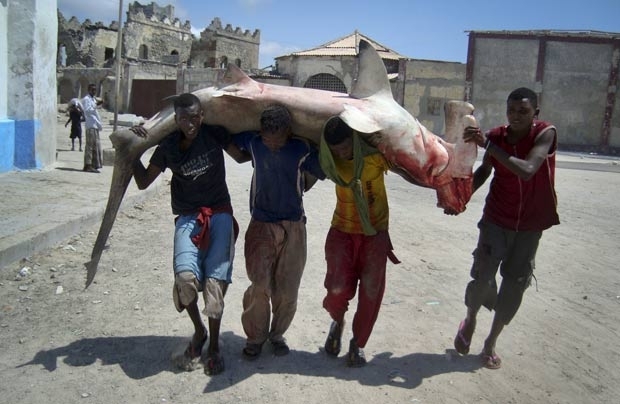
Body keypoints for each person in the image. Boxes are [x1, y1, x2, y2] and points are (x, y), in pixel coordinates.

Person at [131, 93, 247, 375]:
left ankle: (215, 347)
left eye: (196, 117)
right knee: (184, 280)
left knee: (214, 285)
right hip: (187, 217)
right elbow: (144, 182)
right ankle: (199, 331)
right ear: (177, 119)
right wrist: (134, 151)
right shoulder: (169, 147)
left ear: (202, 116)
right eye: (185, 118)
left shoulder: (214, 134)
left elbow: (242, 158)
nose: (191, 123)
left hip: (219, 213)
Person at [452, 87, 560, 369]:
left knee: (514, 285)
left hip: (530, 225)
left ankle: (490, 343)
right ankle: (471, 319)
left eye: (523, 111)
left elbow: (527, 169)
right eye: (511, 110)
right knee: (482, 276)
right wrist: (460, 198)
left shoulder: (544, 133)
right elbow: (485, 171)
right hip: (496, 219)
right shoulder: (497, 136)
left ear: (535, 113)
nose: (516, 116)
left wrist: (489, 146)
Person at [233, 105, 326, 360]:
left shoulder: (302, 149)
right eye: (267, 140)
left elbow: (323, 168)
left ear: (289, 133)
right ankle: (255, 337)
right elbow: (229, 138)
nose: (272, 146)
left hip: (294, 226)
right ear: (261, 133)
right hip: (261, 224)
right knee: (260, 284)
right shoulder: (254, 144)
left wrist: (305, 183)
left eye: (278, 141)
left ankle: (276, 335)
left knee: (287, 291)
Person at [319, 116, 404, 368]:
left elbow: (404, 167)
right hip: (341, 232)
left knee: (371, 293)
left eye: (345, 147)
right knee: (335, 290)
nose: (342, 153)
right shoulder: (329, 161)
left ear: (354, 140)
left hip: (375, 234)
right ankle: (337, 321)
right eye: (336, 149)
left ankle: (358, 343)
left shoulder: (375, 157)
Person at [81, 83, 103, 173]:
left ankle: (94, 164)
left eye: (95, 90)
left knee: (95, 145)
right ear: (89, 90)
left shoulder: (92, 99)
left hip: (95, 125)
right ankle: (88, 165)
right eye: (92, 90)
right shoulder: (86, 99)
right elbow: (87, 110)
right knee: (90, 146)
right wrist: (95, 105)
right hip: (90, 125)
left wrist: (97, 104)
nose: (94, 91)